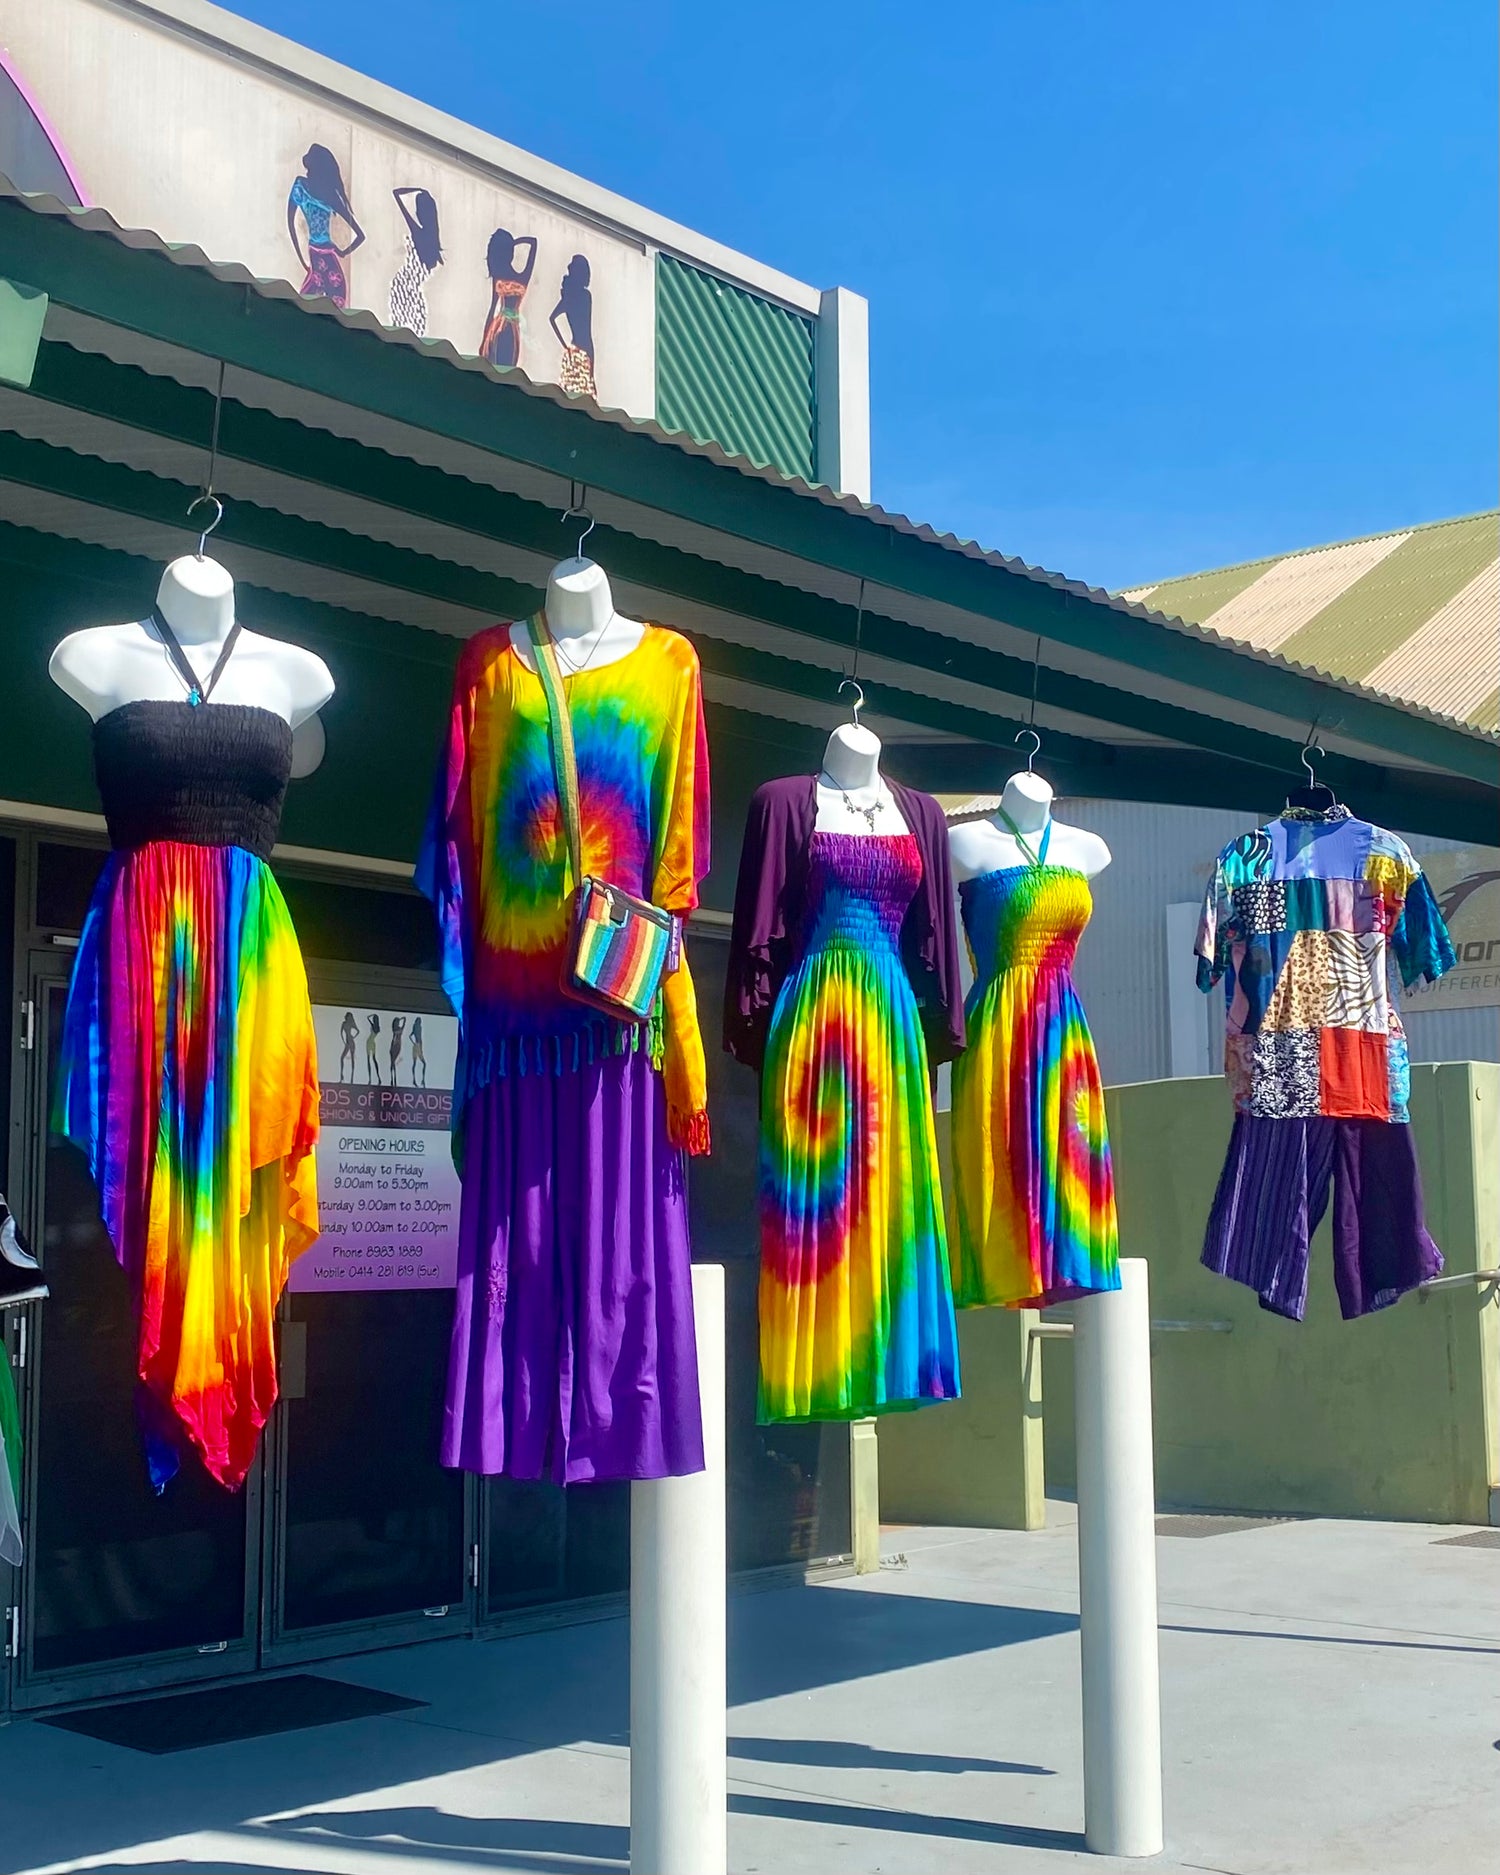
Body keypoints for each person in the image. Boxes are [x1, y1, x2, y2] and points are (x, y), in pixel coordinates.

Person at [287, 144, 364, 309]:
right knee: (317, 307)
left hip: (320, 256)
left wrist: (304, 260)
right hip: (323, 257)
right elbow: (360, 235)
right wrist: (342, 252)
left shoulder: (303, 188)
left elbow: (291, 224)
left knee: (313, 306)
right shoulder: (317, 191)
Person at [480, 228, 538, 368]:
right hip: (499, 326)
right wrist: (484, 337)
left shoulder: (520, 277)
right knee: (498, 365)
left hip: (509, 327)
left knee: (505, 366)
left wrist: (512, 243)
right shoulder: (503, 276)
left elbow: (533, 243)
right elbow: (493, 306)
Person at [389, 187, 443, 336]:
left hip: (402, 286)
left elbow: (396, 194)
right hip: (412, 290)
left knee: (399, 331)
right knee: (414, 334)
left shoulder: (418, 232)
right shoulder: (434, 242)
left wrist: (416, 189)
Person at [549, 254, 596, 398]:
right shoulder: (584, 296)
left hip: (575, 348)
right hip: (585, 347)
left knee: (573, 391)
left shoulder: (570, 297)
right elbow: (552, 319)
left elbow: (552, 318)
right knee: (586, 392)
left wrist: (565, 346)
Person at [339, 1009, 359, 1082]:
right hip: (347, 1041)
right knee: (342, 1058)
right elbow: (341, 1033)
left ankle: (352, 1078)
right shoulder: (344, 1023)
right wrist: (344, 1041)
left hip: (351, 1041)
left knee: (352, 1059)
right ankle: (342, 1076)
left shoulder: (351, 1023)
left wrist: (353, 1037)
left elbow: (358, 1031)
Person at [409, 1015, 427, 1087]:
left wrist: (414, 1043)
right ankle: (421, 1080)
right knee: (423, 1063)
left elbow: (410, 1036)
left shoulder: (415, 1027)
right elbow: (419, 1038)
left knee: (415, 1064)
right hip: (418, 1045)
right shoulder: (419, 1028)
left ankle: (416, 1080)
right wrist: (420, 1048)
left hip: (416, 1045)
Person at [365, 1011, 382, 1084]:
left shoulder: (373, 1026)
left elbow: (368, 1017)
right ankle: (377, 1078)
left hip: (369, 1042)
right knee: (373, 1059)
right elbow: (368, 1018)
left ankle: (371, 1079)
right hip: (372, 1042)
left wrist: (372, 1015)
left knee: (369, 1060)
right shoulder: (378, 1027)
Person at [389, 1014, 406, 1085]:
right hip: (394, 1045)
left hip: (397, 1045)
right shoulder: (395, 1029)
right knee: (392, 1062)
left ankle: (393, 1078)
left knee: (393, 1062)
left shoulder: (398, 1028)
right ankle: (393, 1078)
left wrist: (400, 1019)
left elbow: (404, 1020)